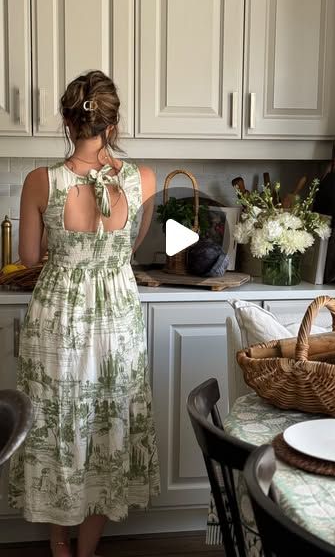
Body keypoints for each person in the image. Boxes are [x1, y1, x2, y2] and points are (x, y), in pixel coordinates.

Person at [8, 70, 160, 557]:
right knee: (107, 428)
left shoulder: (40, 181)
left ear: (67, 121)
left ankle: (59, 547)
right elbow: (133, 246)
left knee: (58, 428)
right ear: (113, 125)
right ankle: (88, 550)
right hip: (117, 317)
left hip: (58, 320)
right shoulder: (144, 179)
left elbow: (29, 258)